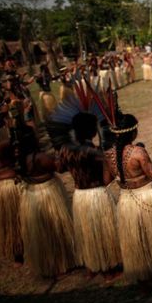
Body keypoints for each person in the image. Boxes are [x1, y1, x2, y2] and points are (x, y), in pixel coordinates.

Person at [103, 114, 152, 286]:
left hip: (126, 200)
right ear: (133, 132)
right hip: (146, 196)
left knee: (135, 239)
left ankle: (143, 280)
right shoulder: (138, 152)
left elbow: (107, 180)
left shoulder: (108, 154)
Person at [56, 113, 121, 275]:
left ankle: (92, 266)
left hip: (79, 196)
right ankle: (109, 269)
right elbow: (107, 180)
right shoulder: (94, 152)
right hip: (97, 195)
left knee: (88, 233)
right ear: (93, 131)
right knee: (102, 232)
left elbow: (60, 168)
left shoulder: (65, 149)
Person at [18, 125, 76, 277]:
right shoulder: (41, 157)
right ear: (32, 140)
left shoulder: (19, 159)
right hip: (48, 193)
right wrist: (60, 155)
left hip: (31, 194)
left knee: (42, 232)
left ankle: (49, 264)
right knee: (55, 227)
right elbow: (61, 168)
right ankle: (61, 262)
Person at [0, 138, 22, 264]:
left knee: (11, 222)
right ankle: (18, 252)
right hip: (8, 185)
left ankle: (18, 255)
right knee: (12, 221)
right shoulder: (5, 143)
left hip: (7, 185)